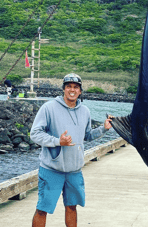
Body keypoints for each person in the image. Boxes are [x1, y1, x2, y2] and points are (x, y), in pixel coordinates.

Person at [30, 73, 113, 227]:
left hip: (74, 171)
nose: (72, 90)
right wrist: (57, 141)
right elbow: (34, 134)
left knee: (72, 207)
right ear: (64, 89)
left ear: (80, 91)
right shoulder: (49, 108)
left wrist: (104, 129)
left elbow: (87, 136)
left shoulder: (85, 111)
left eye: (76, 87)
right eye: (69, 86)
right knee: (43, 209)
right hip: (51, 170)